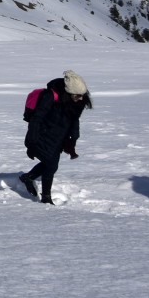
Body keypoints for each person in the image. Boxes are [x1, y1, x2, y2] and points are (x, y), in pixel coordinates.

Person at [20, 70, 93, 205]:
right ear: (68, 92)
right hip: (43, 134)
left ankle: (28, 177)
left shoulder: (77, 100)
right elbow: (36, 119)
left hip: (59, 137)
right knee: (51, 165)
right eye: (77, 96)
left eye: (82, 95)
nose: (81, 99)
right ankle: (46, 197)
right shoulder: (50, 96)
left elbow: (74, 119)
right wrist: (31, 141)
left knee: (51, 165)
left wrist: (74, 137)